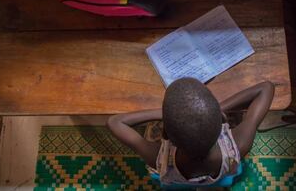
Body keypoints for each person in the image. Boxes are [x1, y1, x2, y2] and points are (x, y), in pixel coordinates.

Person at [107, 77, 274, 188]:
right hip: (219, 175)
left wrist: (167, 114)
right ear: (223, 121)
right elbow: (266, 88)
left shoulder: (158, 157)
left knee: (148, 134)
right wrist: (215, 110)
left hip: (175, 180)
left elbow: (114, 122)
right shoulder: (238, 145)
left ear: (165, 135)